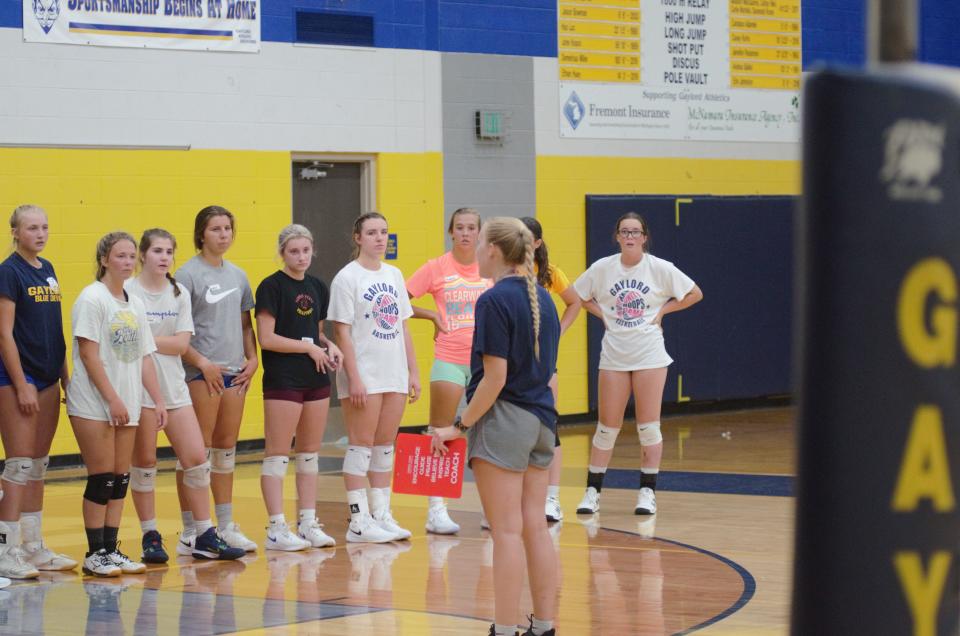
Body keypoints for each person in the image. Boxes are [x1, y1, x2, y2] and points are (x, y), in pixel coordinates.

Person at [432, 216, 561, 636]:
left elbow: (495, 378)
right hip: (543, 422)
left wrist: (458, 425)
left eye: (481, 239)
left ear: (493, 250)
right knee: (534, 527)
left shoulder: (492, 301)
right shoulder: (543, 298)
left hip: (506, 421)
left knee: (505, 533)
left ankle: (504, 630)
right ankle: (543, 626)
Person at [126, 229, 245, 563]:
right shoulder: (129, 293)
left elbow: (181, 345)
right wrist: (149, 341)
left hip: (175, 387)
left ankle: (203, 533)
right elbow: (129, 342)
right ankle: (150, 535)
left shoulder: (177, 292)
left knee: (196, 459)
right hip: (140, 389)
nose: (164, 257)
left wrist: (145, 338)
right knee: (145, 463)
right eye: (157, 251)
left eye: (169, 252)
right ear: (143, 256)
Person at [572, 212, 702, 516]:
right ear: (617, 237)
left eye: (635, 232)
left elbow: (695, 293)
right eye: (624, 231)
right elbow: (577, 296)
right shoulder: (602, 268)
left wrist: (663, 312)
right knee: (607, 428)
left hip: (650, 356)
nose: (629, 236)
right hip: (615, 356)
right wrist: (602, 314)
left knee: (648, 426)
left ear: (644, 237)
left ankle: (647, 492)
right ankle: (592, 492)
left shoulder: (659, 268)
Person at [67, 231, 167, 577]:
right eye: (120, 256)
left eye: (130, 257)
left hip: (129, 402)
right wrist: (111, 398)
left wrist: (157, 399)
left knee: (121, 478)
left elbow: (144, 357)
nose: (127, 262)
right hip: (95, 403)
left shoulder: (134, 302)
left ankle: (111, 548)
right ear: (104, 260)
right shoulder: (92, 299)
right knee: (102, 478)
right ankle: (94, 553)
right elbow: (88, 353)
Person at [329, 212, 420, 544]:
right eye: (372, 233)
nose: (379, 238)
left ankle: (381, 514)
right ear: (358, 238)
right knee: (361, 447)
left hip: (393, 372)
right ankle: (358, 520)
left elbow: (403, 326)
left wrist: (413, 371)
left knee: (384, 447)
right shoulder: (346, 278)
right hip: (364, 375)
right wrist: (353, 377)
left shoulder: (395, 275)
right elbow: (342, 331)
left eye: (384, 232)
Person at [176, 206, 259, 554]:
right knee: (197, 453)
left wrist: (253, 360)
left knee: (225, 451)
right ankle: (191, 530)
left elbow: (244, 325)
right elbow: (177, 331)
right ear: (201, 234)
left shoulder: (238, 276)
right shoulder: (186, 275)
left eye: (227, 228)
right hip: (200, 373)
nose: (223, 234)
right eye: (215, 229)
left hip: (233, 373)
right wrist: (201, 363)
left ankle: (224, 524)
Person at [0, 205, 75, 584]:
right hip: (19, 380)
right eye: (32, 228)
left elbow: (56, 329)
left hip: (48, 377)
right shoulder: (8, 272)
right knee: (19, 464)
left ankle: (32, 545)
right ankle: (4, 549)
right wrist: (20, 382)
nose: (40, 233)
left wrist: (64, 377)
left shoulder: (47, 270)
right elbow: (4, 333)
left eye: (45, 226)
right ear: (15, 231)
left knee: (39, 463)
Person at [255, 224, 341, 551]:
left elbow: (314, 333)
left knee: (309, 455)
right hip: (283, 378)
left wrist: (330, 346)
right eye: (294, 251)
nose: (301, 256)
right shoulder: (271, 287)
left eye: (306, 250)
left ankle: (307, 522)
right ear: (282, 253)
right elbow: (267, 338)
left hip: (315, 377)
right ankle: (277, 527)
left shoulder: (319, 286)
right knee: (278, 455)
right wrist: (307, 348)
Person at [406, 207, 491, 535]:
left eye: (472, 227)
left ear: (480, 233)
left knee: (486, 435)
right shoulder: (436, 267)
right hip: (449, 359)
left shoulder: (490, 269)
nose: (466, 233)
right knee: (440, 431)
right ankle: (436, 510)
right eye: (460, 227)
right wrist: (431, 315)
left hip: (485, 363)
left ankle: (490, 508)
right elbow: (399, 299)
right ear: (451, 232)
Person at [520, 216, 581, 523]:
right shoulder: (503, 273)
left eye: (526, 237)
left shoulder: (549, 274)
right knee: (517, 431)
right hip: (514, 364)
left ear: (537, 243)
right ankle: (519, 498)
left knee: (548, 429)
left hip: (544, 364)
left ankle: (553, 498)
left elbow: (575, 302)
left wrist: (558, 329)